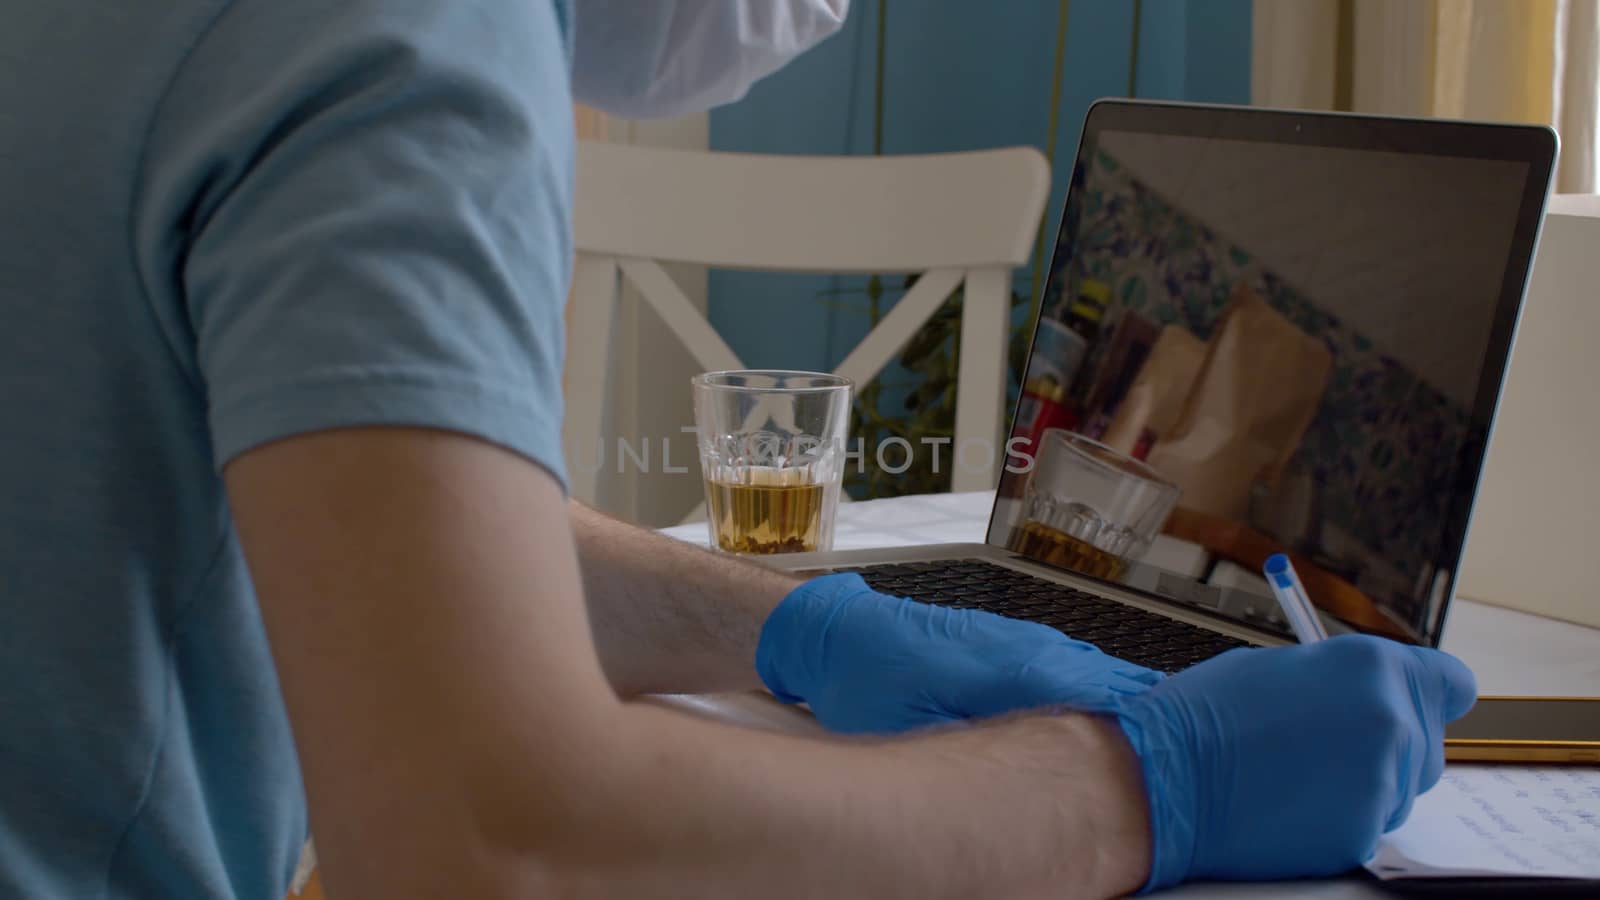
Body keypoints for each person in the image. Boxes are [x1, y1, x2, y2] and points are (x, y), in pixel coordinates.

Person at [0, 1, 1476, 897]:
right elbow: (487, 850)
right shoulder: (401, 33)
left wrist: (802, 629)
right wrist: (1151, 786)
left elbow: (363, 535)